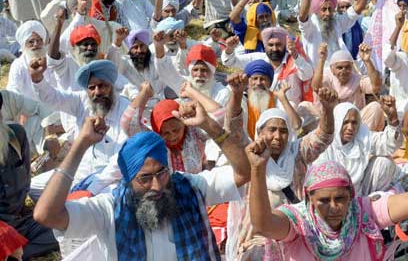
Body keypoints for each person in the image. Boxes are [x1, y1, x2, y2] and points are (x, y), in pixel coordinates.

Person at [33, 100, 251, 261]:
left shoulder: (190, 187)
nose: (157, 186)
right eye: (144, 178)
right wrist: (80, 144)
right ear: (127, 179)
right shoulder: (109, 209)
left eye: (162, 172)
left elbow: (243, 172)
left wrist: (209, 125)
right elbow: (46, 214)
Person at [246, 116, 408, 260]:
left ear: (351, 195)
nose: (334, 207)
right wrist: (257, 169)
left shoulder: (363, 211)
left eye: (340, 199)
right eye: (324, 201)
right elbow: (263, 225)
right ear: (309, 199)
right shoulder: (299, 221)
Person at [233, 88, 338, 260]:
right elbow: (233, 129)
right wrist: (237, 95)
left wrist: (327, 109)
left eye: (283, 131)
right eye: (272, 130)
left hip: (295, 231)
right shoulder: (250, 153)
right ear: (259, 132)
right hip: (258, 234)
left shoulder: (296, 152)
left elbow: (323, 138)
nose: (277, 136)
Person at [30, 60, 131, 184]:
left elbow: (120, 159)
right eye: (92, 88)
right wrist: (38, 79)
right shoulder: (81, 100)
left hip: (108, 179)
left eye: (102, 85)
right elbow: (53, 98)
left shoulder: (125, 109)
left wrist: (93, 188)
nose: (97, 92)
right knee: (34, 187)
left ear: (112, 86)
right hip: (78, 172)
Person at [316, 101, 403, 196]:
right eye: (345, 122)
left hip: (358, 193)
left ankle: (365, 204)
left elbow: (388, 144)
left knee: (385, 163)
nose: (350, 127)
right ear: (337, 122)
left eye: (354, 123)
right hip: (332, 195)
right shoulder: (325, 144)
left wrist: (393, 119)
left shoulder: (362, 136)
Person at [0, 121, 59, 259]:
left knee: (64, 226)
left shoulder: (15, 136)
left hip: (20, 222)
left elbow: (25, 183)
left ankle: (15, 253)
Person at [222, 27, 313, 105]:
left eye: (278, 45)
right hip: (262, 107)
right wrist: (229, 49)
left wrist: (295, 55)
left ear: (285, 46)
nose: (274, 49)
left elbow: (307, 75)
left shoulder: (294, 60)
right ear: (265, 47)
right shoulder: (258, 58)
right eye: (270, 45)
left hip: (288, 110)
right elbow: (230, 62)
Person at [299, 0, 369, 65]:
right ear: (316, 10)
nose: (327, 13)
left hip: (339, 71)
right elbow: (302, 16)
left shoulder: (336, 21)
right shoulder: (311, 25)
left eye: (330, 9)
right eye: (323, 9)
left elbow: (359, 6)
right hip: (317, 74)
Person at [7, 20, 55, 102]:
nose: (36, 44)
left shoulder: (51, 60)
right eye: (31, 42)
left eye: (39, 40)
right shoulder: (18, 65)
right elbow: (13, 90)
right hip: (32, 111)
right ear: (24, 44)